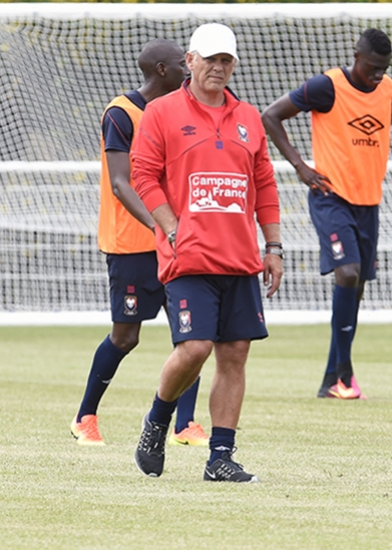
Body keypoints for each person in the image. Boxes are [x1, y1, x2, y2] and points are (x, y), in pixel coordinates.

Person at [131, 23, 283, 482]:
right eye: (210, 59)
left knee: (234, 354)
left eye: (227, 61)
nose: (218, 68)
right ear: (190, 60)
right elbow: (142, 175)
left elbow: (264, 185)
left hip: (240, 258)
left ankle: (220, 457)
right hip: (188, 257)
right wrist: (171, 226)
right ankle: (158, 420)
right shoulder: (160, 112)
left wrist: (272, 245)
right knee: (195, 347)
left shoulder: (249, 118)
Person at [71, 39, 207, 448]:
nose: (189, 71)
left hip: (176, 241)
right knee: (126, 336)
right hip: (131, 243)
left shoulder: (182, 112)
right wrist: (159, 224)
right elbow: (120, 183)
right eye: (181, 66)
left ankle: (185, 425)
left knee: (192, 333)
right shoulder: (121, 113)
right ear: (162, 70)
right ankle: (85, 417)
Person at [261, 29, 392, 400]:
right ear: (356, 56)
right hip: (330, 197)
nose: (377, 76)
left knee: (357, 288)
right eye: (371, 68)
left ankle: (331, 380)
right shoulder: (327, 86)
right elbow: (271, 116)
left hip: (369, 202)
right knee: (348, 273)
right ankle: (345, 374)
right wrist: (301, 167)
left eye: (383, 69)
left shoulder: (389, 89)